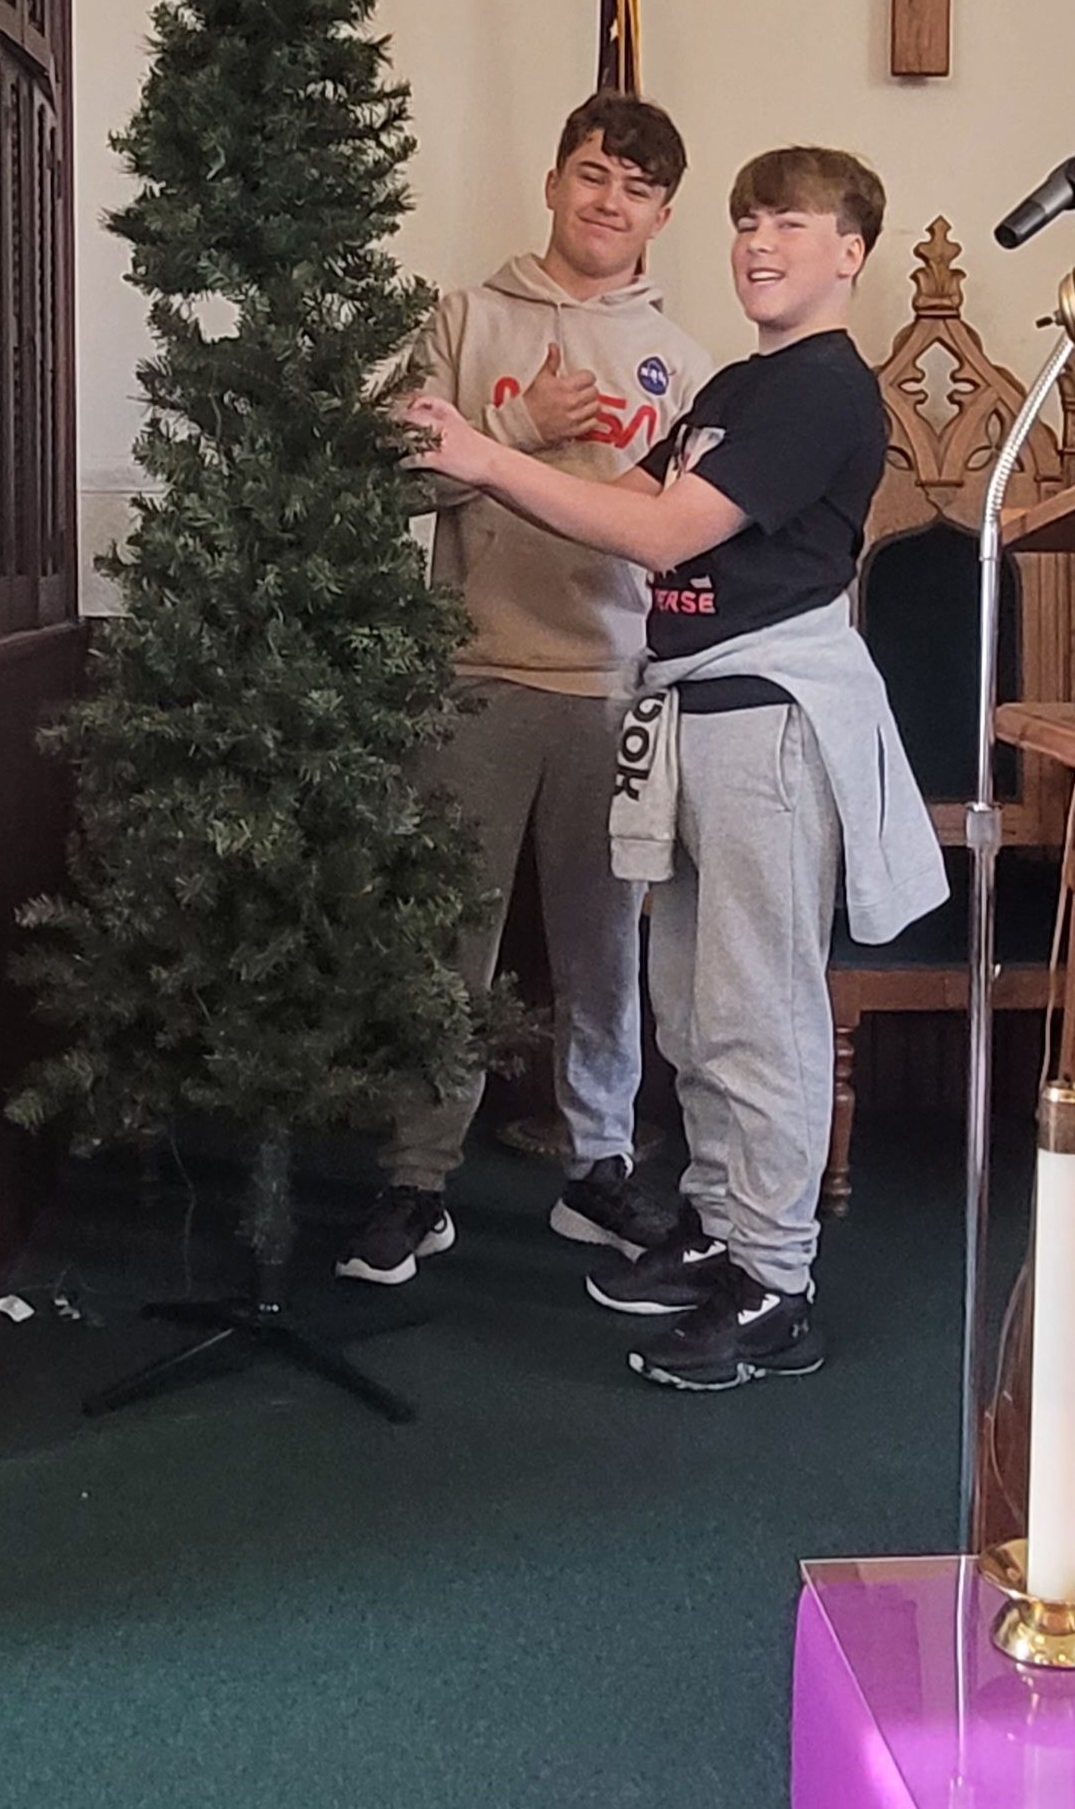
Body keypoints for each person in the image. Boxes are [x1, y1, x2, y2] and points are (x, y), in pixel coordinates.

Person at [402, 146, 947, 1386]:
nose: (758, 243)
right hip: (689, 706)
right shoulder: (738, 387)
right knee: (692, 998)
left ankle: (776, 1279)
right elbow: (619, 511)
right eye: (748, 220)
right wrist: (503, 439)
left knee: (758, 1004)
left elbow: (661, 531)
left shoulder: (821, 388)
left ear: (851, 251)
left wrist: (484, 456)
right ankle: (718, 1225)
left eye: (791, 224)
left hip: (768, 716)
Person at [338, 92, 711, 1286]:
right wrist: (517, 423)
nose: (611, 201)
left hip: (616, 684)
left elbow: (695, 533)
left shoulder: (685, 361)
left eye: (639, 188)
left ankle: (599, 1168)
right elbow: (383, 474)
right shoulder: (465, 317)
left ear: (663, 215)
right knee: (447, 944)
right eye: (593, 174)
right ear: (553, 183)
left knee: (606, 952)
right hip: (476, 674)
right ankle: (417, 1177)